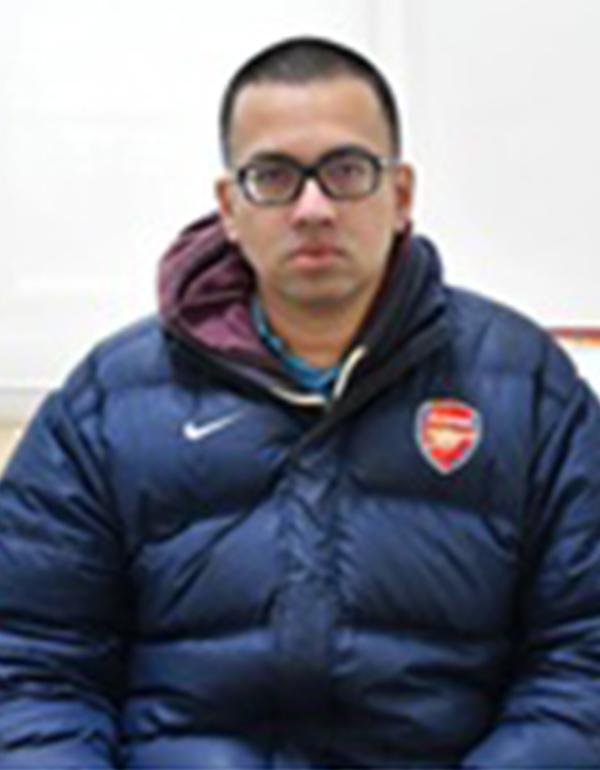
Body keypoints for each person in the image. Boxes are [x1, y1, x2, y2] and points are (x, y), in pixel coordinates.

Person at [1, 35, 600, 770]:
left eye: (346, 171)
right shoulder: (109, 404)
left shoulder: (528, 389)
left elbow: (583, 663)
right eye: (274, 177)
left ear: (401, 194)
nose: (313, 208)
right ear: (229, 206)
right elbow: (30, 666)